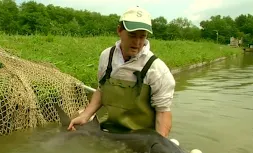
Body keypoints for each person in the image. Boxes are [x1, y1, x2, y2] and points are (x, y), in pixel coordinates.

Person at [68, 6, 176, 138]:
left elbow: (163, 113)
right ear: (119, 30)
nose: (137, 42)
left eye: (142, 37)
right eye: (132, 35)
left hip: (142, 138)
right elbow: (101, 90)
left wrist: (159, 145)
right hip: (110, 131)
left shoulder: (157, 70)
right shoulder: (107, 56)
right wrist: (85, 116)